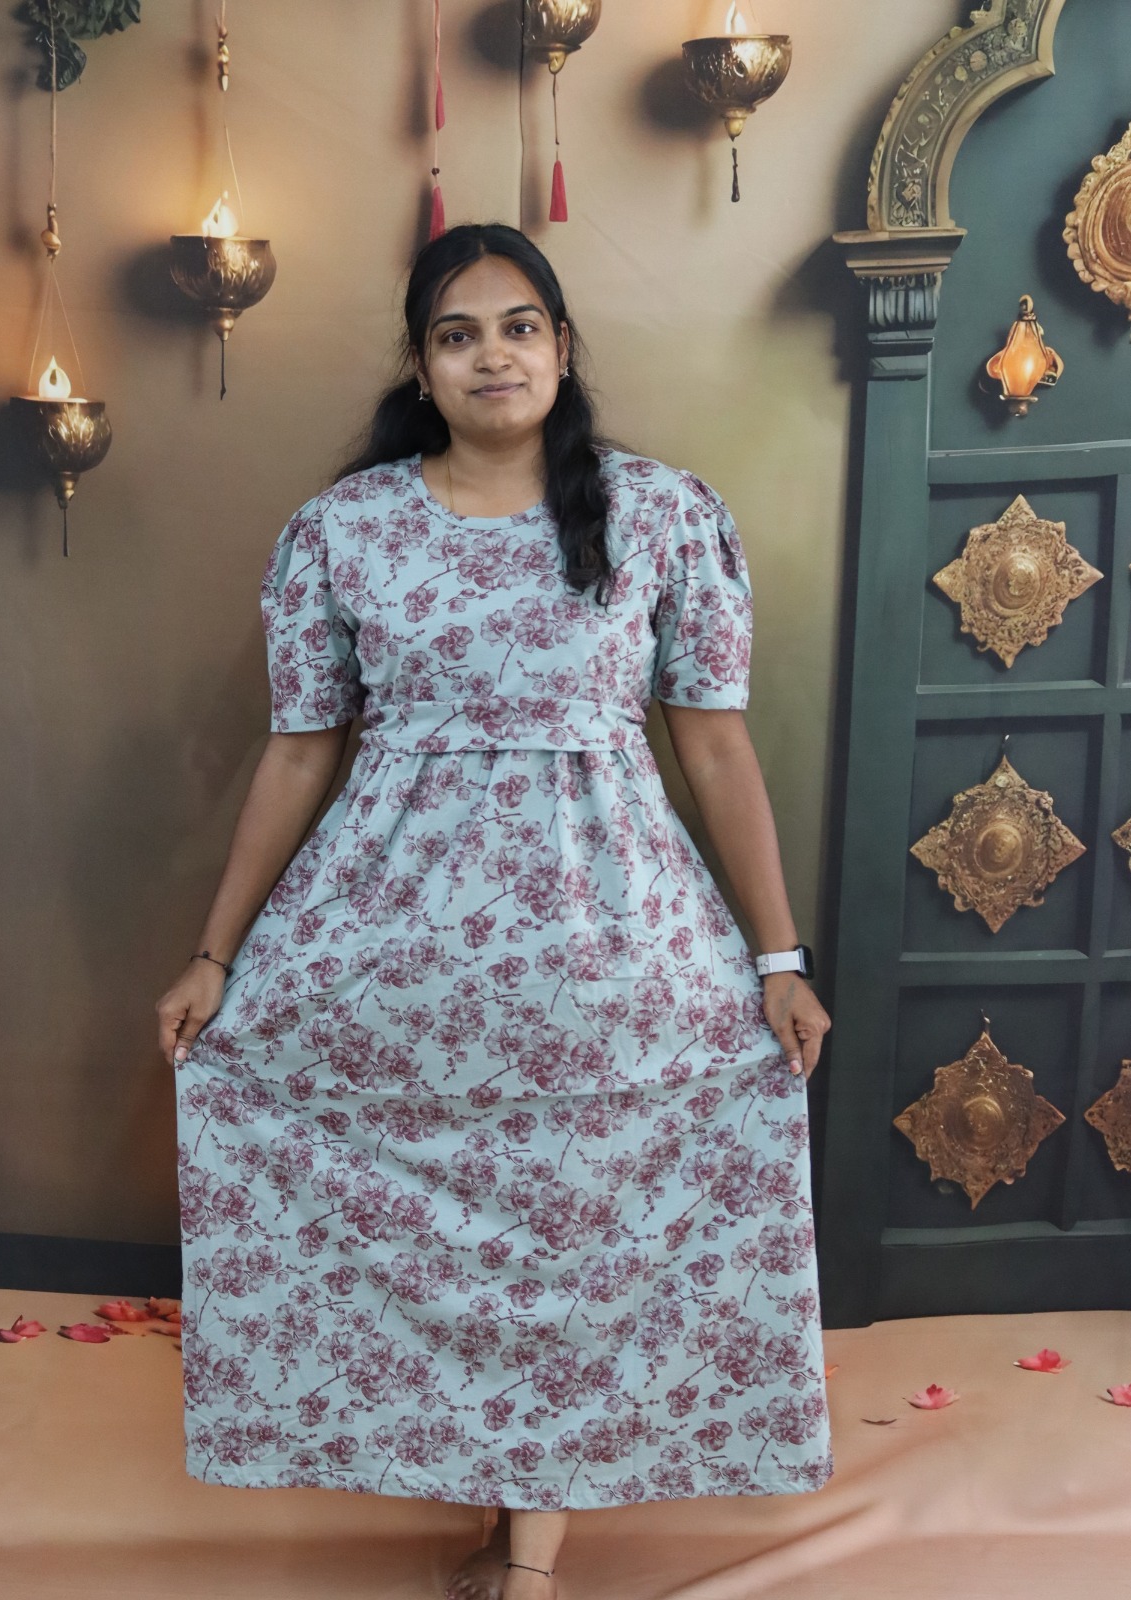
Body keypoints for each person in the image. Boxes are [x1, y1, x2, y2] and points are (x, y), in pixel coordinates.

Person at [156, 221, 833, 1600]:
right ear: (421, 367)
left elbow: (714, 748)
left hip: (609, 955)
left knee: (576, 1237)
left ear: (562, 347)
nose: (492, 356)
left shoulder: (658, 515)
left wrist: (778, 956)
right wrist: (214, 954)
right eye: (456, 334)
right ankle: (490, 1514)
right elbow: (299, 752)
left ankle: (529, 1559)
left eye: (520, 326)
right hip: (387, 956)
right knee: (453, 1243)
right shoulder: (344, 530)